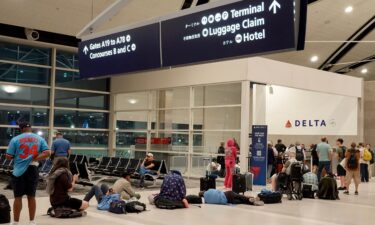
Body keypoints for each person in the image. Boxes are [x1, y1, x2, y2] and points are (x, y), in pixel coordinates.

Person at [6, 122, 51, 225]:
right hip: (33, 169)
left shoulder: (15, 139)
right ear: (30, 128)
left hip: (18, 171)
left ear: (20, 129)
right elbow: (48, 152)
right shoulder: (39, 139)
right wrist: (35, 157)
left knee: (18, 197)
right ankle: (32, 221)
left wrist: (17, 157)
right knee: (31, 196)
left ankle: (16, 222)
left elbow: (9, 156)